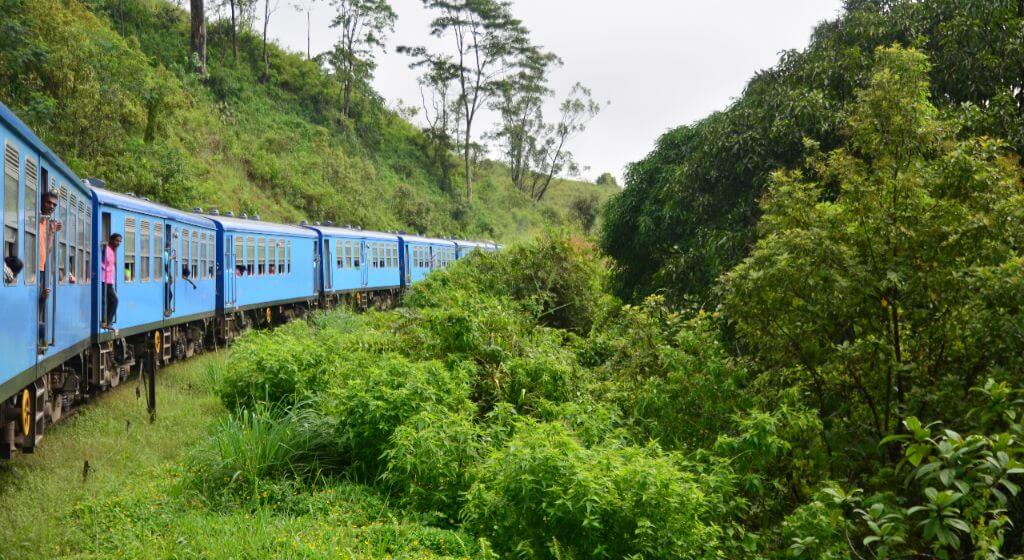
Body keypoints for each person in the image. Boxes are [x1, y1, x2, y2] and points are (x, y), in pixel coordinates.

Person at [38, 191, 62, 349]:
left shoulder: (48, 223)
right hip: (33, 270)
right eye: (48, 203)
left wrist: (52, 233)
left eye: (54, 204)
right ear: (41, 202)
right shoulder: (35, 219)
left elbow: (48, 250)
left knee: (42, 300)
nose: (51, 206)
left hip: (41, 269)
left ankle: (41, 337)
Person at [100, 233, 121, 331]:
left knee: (111, 301)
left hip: (109, 281)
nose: (118, 243)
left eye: (120, 241)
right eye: (117, 240)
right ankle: (105, 321)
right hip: (103, 280)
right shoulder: (105, 249)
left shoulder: (113, 251)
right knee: (111, 300)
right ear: (111, 240)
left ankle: (107, 321)